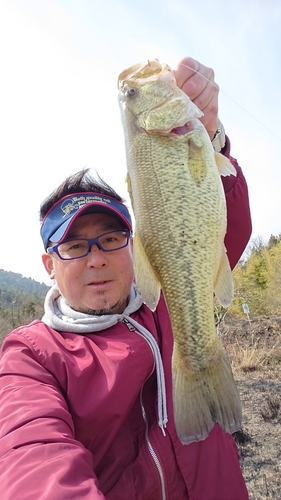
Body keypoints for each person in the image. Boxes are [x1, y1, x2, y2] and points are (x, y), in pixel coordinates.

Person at [0, 57, 251, 499]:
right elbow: (31, 456)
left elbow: (223, 229)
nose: (96, 259)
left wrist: (212, 137)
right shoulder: (30, 359)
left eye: (112, 239)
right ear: (49, 265)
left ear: (137, 247)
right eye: (75, 246)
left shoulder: (165, 302)